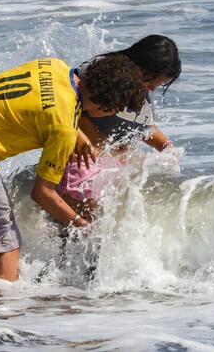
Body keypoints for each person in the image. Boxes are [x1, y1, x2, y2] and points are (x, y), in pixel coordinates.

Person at [0, 54, 146, 282]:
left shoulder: (55, 66)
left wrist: (76, 133)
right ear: (106, 106)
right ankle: (1, 311)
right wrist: (84, 225)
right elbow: (42, 194)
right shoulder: (63, 128)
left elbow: (45, 103)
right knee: (7, 245)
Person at [57, 35, 182, 219]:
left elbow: (141, 125)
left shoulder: (140, 89)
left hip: (116, 163)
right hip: (84, 160)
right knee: (90, 221)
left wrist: (165, 146)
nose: (154, 88)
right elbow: (67, 108)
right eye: (154, 81)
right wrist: (93, 144)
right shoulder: (104, 73)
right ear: (143, 67)